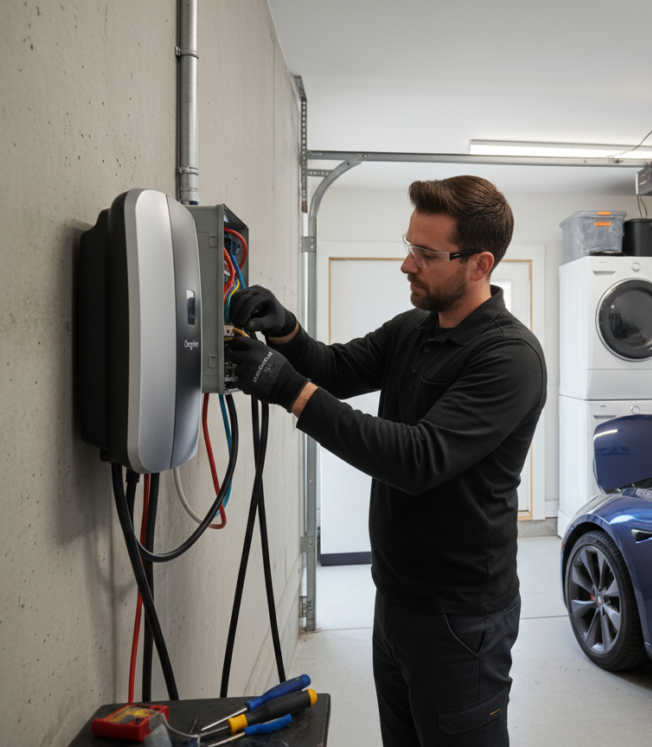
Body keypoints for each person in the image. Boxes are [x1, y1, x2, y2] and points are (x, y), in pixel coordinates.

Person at [225, 175, 547, 747]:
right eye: (410, 245)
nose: (407, 264)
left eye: (427, 254)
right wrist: (286, 330)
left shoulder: (510, 358)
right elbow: (337, 369)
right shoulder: (414, 329)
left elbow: (417, 458)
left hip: (461, 618)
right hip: (395, 596)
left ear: (480, 264)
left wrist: (288, 389)